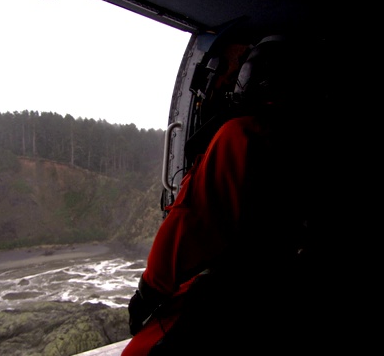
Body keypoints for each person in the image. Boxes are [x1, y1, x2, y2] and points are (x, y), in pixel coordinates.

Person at [122, 34, 322, 355]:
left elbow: (192, 219)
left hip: (238, 291)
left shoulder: (242, 135)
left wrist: (149, 292)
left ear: (252, 80)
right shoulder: (308, 143)